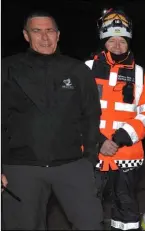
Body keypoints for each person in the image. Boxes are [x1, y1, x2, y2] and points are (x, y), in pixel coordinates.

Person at [1, 11, 103, 230]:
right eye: (37, 31)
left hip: (72, 165)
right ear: (26, 36)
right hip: (20, 168)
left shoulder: (77, 70)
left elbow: (92, 115)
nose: (44, 37)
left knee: (91, 224)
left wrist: (89, 160)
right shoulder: (7, 69)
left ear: (58, 35)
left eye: (49, 31)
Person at [85, 8, 145, 230]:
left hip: (127, 153)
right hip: (91, 152)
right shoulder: (86, 69)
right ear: (103, 41)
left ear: (129, 42)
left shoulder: (140, 74)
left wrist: (119, 138)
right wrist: (99, 141)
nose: (117, 45)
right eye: (112, 40)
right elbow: (75, 111)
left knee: (126, 207)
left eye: (122, 41)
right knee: (86, 206)